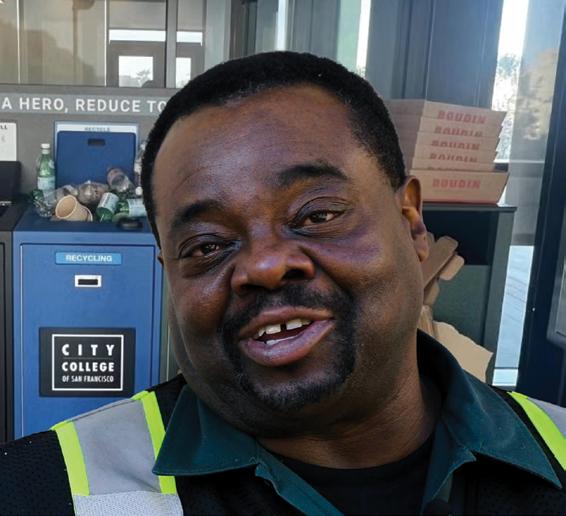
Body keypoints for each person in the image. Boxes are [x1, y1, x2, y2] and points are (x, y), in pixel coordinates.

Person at [1, 52, 565, 516]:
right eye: (207, 246)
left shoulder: (554, 450)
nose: (265, 266)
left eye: (317, 214)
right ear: (169, 275)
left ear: (412, 224)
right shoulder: (42, 492)